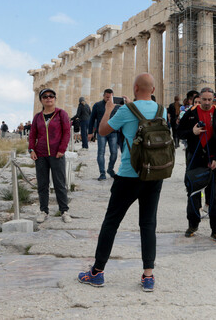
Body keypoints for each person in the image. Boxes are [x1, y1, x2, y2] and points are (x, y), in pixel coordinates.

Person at [77, 73, 167, 292]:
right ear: (153, 90)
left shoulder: (126, 110)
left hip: (129, 174)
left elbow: (103, 130)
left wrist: (109, 108)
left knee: (111, 222)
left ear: (135, 88)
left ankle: (97, 273)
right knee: (148, 224)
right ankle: (148, 276)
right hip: (154, 174)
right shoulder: (161, 110)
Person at [177, 87, 216, 243]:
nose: (206, 102)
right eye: (204, 99)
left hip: (213, 159)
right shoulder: (191, 113)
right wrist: (192, 132)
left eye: (209, 100)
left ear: (213, 100)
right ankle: (193, 224)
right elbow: (179, 132)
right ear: (199, 99)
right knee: (193, 193)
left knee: (214, 195)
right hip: (195, 157)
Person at [28, 88, 71, 224]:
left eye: (51, 96)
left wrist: (62, 149)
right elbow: (32, 135)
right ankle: (43, 211)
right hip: (40, 154)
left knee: (59, 183)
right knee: (42, 184)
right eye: (45, 96)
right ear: (41, 100)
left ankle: (64, 211)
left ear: (55, 98)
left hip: (56, 154)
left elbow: (66, 132)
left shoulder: (61, 114)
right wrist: (31, 150)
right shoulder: (37, 117)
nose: (48, 98)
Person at [88, 89, 119, 181]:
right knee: (101, 152)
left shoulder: (117, 106)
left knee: (114, 152)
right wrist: (90, 132)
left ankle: (110, 169)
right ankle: (102, 172)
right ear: (104, 96)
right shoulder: (97, 105)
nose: (108, 99)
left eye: (110, 97)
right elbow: (92, 119)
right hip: (101, 133)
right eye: (107, 97)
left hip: (113, 132)